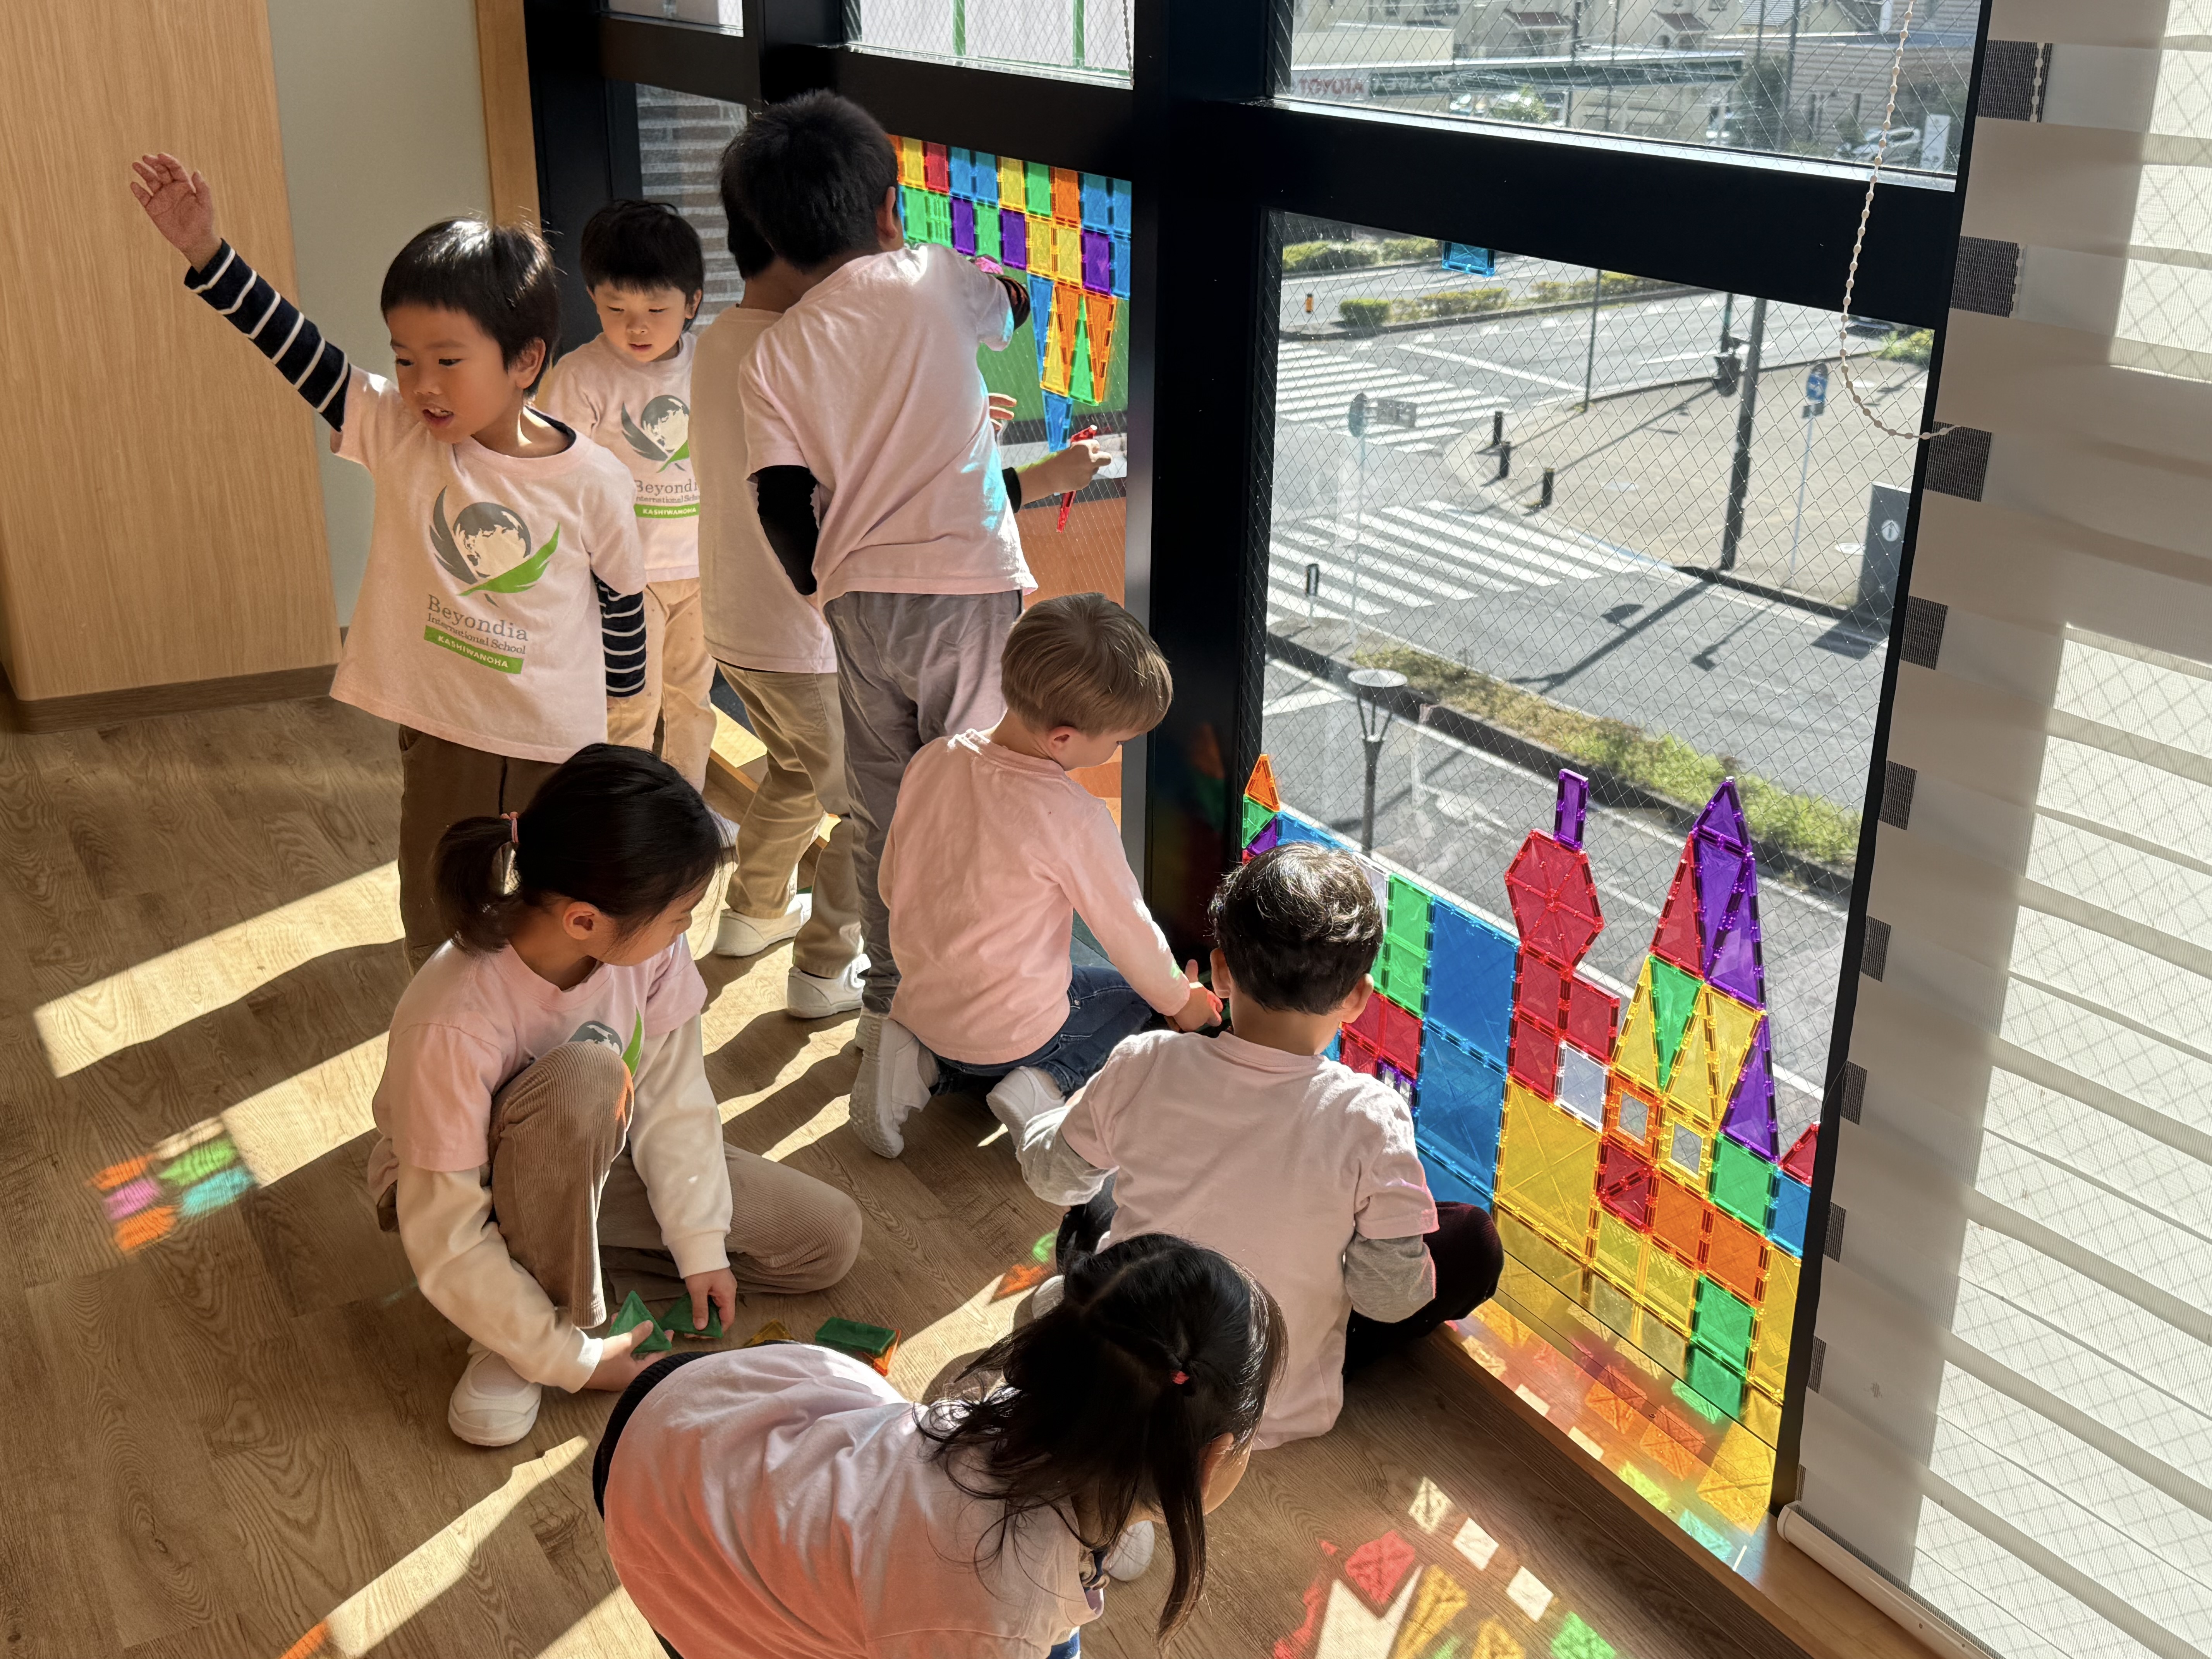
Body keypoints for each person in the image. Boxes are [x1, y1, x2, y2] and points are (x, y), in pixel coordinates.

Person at [130, 153, 647, 971]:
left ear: (525, 361)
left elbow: (621, 601)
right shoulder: (401, 433)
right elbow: (298, 350)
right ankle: (445, 1021)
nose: (421, 385)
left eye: (448, 361)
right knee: (443, 914)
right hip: (445, 733)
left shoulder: (595, 482)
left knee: (558, 911)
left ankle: (547, 1026)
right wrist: (209, 254)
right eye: (405, 359)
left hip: (559, 744)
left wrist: (623, 718)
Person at [727, 93, 1107, 1119]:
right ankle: (985, 1032)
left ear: (772, 233)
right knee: (984, 806)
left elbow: (778, 501)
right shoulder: (934, 276)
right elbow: (1012, 308)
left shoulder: (775, 352)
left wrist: (823, 590)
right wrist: (986, 285)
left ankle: (889, 1013)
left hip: (859, 605)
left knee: (889, 812)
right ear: (889, 211)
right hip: (968, 592)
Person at [366, 744, 863, 1447]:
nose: (685, 930)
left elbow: (675, 1097)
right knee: (586, 1077)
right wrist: (572, 1362)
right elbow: (444, 1228)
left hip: (598, 1156)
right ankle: (529, 1331)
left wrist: (700, 1245)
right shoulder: (455, 1017)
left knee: (826, 1240)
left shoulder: (641, 945)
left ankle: (548, 1293)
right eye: (680, 915)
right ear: (583, 920)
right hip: (462, 1193)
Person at [1016, 844, 1505, 1449]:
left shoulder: (1148, 1061)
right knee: (1470, 1240)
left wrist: (1057, 1117)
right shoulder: (1371, 1117)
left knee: (1103, 1197)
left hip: (1134, 1365)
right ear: (1358, 997)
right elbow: (1386, 1300)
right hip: (1269, 1406)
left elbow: (1053, 1177)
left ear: (1221, 971)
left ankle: (1084, 1300)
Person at [596, 1232, 1283, 1659]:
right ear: (1212, 1461)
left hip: (718, 1408)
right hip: (668, 1514)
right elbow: (993, 1622)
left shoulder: (1029, 1411)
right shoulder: (999, 1619)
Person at [860, 595, 1219, 1158]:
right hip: (1016, 1038)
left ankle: (920, 1065)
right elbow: (1131, 935)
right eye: (1118, 741)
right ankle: (1043, 1085)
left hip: (923, 1006)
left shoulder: (933, 760)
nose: (1119, 751)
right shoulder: (1074, 817)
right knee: (1137, 999)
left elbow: (891, 885)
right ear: (1063, 739)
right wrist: (1184, 998)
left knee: (988, 1025)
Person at [689, 178, 866, 1018]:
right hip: (800, 637)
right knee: (868, 809)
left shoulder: (718, 340)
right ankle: (826, 968)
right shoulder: (799, 352)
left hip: (734, 624)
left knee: (794, 770)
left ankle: (753, 913)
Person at [538, 200, 718, 794]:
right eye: (616, 309)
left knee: (692, 700)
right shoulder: (580, 376)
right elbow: (558, 481)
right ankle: (624, 811)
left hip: (701, 569)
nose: (636, 327)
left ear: (692, 302)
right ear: (593, 296)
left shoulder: (712, 364)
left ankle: (686, 811)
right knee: (629, 707)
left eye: (655, 310)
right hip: (625, 579)